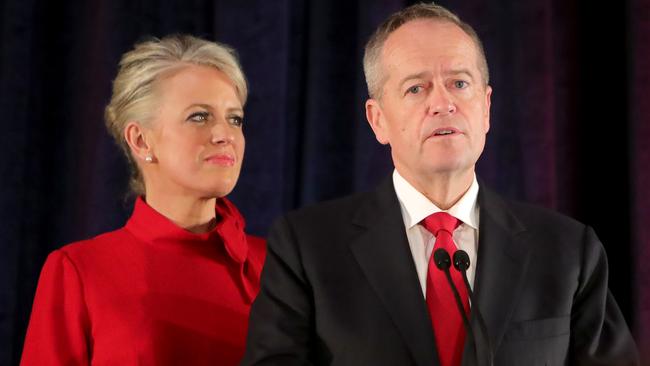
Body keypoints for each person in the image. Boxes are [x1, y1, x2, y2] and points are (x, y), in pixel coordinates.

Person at [242, 3, 638, 366]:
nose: (443, 103)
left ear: (486, 108)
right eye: (416, 88)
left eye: (460, 83)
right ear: (377, 119)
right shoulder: (306, 248)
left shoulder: (569, 252)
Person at [20, 34, 265, 365]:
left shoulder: (279, 266)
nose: (225, 135)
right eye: (199, 116)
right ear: (140, 140)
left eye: (234, 118)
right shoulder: (80, 271)